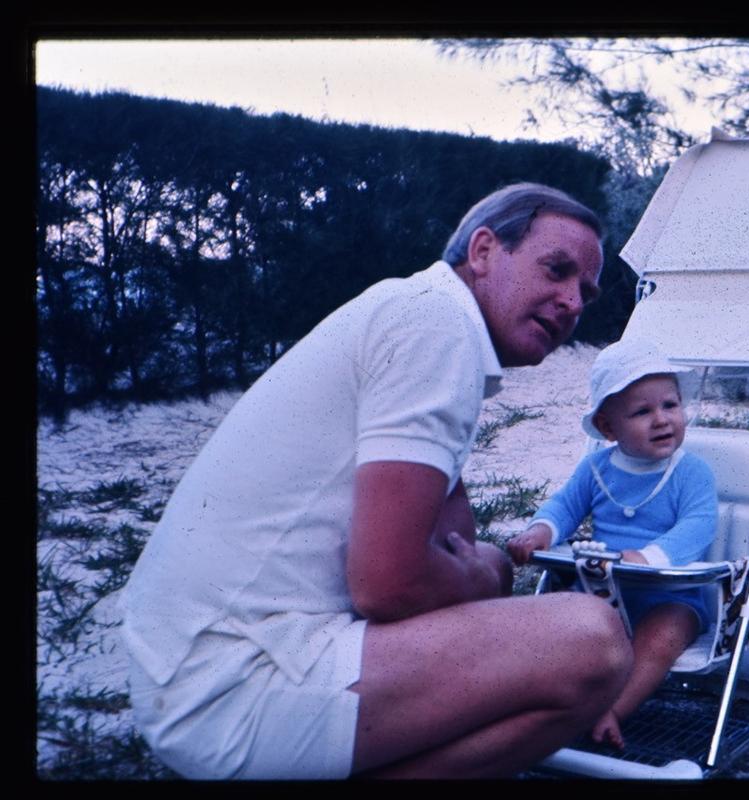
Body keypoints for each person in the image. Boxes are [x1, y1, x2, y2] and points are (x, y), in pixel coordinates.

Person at [120, 183, 633, 779]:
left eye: (586, 292)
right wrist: (489, 568)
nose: (572, 301)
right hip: (231, 690)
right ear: (485, 250)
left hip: (193, 673)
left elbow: (447, 532)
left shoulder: (418, 312)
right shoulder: (435, 325)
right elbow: (391, 585)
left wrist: (468, 565)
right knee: (592, 641)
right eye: (557, 269)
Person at [507, 338, 718, 749]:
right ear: (608, 428)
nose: (662, 420)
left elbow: (699, 525)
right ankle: (544, 700)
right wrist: (541, 532)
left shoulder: (691, 471)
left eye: (670, 405)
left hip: (671, 596)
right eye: (643, 411)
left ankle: (614, 710)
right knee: (554, 619)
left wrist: (648, 557)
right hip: (604, 590)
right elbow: (565, 506)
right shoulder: (596, 468)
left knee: (663, 636)